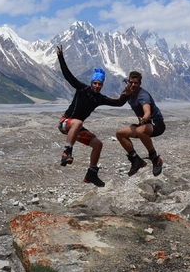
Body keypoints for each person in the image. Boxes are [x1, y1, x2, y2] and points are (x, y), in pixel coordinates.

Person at [56, 45, 131, 188]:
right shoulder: (82, 88)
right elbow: (68, 75)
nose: (97, 86)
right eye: (95, 83)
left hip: (76, 128)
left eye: (100, 84)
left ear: (102, 85)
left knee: (98, 144)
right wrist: (61, 57)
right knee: (77, 122)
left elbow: (119, 102)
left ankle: (91, 173)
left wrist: (127, 93)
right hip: (65, 123)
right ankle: (67, 153)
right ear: (91, 83)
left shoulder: (99, 98)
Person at [116, 70, 166, 176]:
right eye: (131, 82)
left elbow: (147, 112)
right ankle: (135, 160)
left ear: (140, 84)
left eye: (136, 83)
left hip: (156, 124)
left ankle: (155, 158)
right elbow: (119, 101)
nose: (133, 85)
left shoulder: (143, 96)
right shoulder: (128, 89)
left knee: (140, 130)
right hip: (144, 124)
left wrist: (143, 119)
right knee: (120, 133)